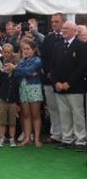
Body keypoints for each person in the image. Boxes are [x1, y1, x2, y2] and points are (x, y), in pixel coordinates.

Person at [51, 21, 87, 149]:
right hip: (59, 87)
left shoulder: (81, 46)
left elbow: (82, 67)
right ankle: (67, 139)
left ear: (74, 31)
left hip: (75, 87)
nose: (63, 30)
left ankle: (81, 140)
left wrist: (69, 83)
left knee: (78, 115)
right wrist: (56, 82)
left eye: (66, 28)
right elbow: (53, 66)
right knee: (64, 114)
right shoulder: (57, 45)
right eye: (63, 28)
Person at [14, 38, 44, 148]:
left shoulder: (37, 60)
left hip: (34, 88)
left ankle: (36, 138)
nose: (25, 51)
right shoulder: (21, 61)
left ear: (34, 49)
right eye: (23, 49)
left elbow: (28, 70)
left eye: (27, 49)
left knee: (35, 114)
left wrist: (19, 69)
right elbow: (18, 74)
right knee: (25, 114)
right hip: (23, 88)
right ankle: (27, 138)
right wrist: (23, 71)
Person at [40, 13, 64, 143]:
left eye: (57, 21)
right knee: (53, 108)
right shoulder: (48, 38)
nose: (54, 24)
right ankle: (55, 134)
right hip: (49, 80)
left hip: (63, 81)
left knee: (65, 109)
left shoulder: (68, 38)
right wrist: (48, 72)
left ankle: (66, 135)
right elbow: (43, 57)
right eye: (52, 21)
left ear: (63, 22)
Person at [0, 53, 20, 147]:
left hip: (13, 102)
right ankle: (1, 139)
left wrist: (15, 69)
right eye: (5, 65)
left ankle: (12, 139)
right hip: (2, 101)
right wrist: (1, 69)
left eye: (9, 65)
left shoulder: (16, 75)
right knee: (2, 122)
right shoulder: (2, 75)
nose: (7, 67)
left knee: (12, 122)